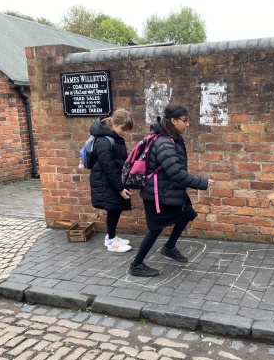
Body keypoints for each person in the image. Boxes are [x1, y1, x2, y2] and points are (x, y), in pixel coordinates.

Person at [129, 104, 215, 277]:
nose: (187, 124)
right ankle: (136, 265)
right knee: (155, 229)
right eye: (185, 120)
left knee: (187, 213)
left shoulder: (171, 138)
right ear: (174, 121)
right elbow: (175, 173)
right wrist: (202, 183)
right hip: (157, 194)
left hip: (168, 191)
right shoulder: (164, 143)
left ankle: (169, 247)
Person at [89, 108, 133, 252]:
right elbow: (109, 168)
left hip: (112, 181)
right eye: (123, 129)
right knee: (113, 209)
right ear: (114, 124)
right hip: (106, 182)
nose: (124, 132)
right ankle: (112, 242)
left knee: (116, 208)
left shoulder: (113, 137)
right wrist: (119, 188)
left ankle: (111, 236)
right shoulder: (104, 141)